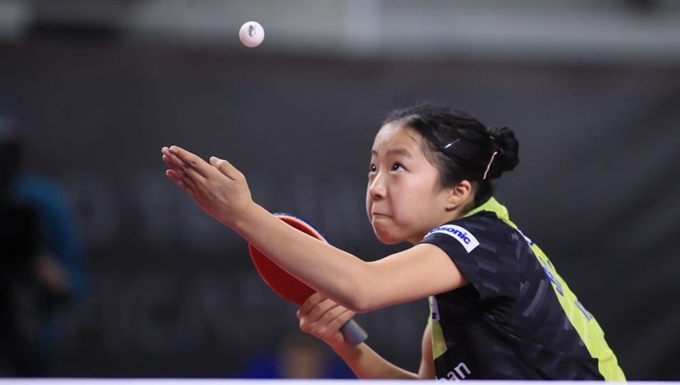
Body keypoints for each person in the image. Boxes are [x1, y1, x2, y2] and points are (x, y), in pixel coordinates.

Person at [160, 103, 625, 380]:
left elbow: (361, 287)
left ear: (457, 192)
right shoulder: (452, 304)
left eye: (397, 167)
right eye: (373, 168)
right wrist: (345, 344)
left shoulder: (482, 242)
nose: (377, 186)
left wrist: (241, 213)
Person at [0, 112, 87, 376]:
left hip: (30, 340)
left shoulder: (42, 202)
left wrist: (52, 278)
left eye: (5, 153)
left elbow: (76, 283)